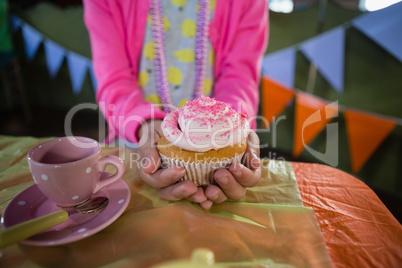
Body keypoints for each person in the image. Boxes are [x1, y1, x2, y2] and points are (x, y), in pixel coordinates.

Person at [83, 0, 269, 209]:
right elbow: (114, 82)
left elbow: (240, 80)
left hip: (223, 147)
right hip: (132, 146)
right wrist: (146, 125)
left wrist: (235, 126)